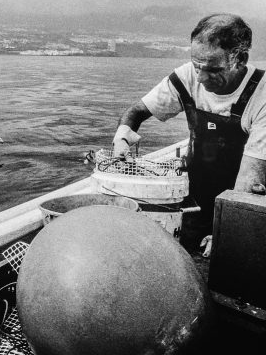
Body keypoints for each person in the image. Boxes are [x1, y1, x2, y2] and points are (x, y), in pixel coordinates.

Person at [113, 13, 266, 250]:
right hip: (195, 196)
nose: (202, 78)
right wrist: (122, 138)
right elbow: (135, 113)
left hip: (245, 203)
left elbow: (249, 182)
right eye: (197, 67)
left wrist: (229, 232)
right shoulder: (187, 76)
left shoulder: (262, 95)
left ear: (241, 59)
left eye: (213, 69)